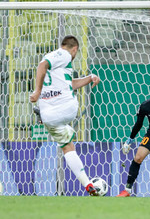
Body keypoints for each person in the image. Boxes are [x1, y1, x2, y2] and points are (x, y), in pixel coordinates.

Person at [29, 35, 101, 196]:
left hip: (49, 116)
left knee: (67, 147)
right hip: (67, 108)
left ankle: (88, 184)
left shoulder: (59, 69)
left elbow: (71, 84)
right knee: (68, 146)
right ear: (74, 48)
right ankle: (88, 184)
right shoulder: (64, 54)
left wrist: (89, 78)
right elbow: (42, 65)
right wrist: (37, 91)